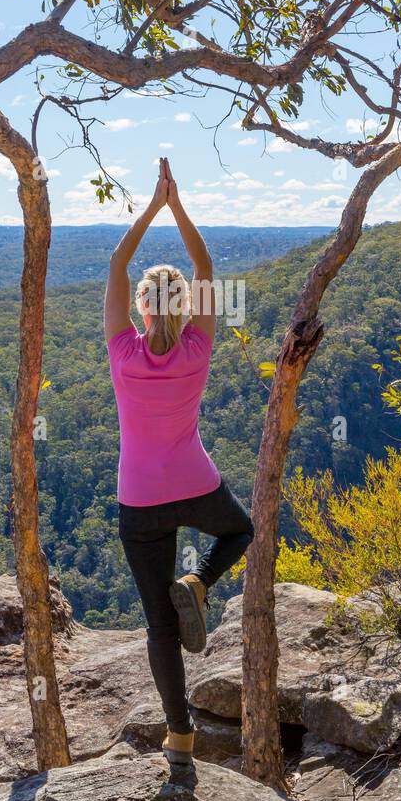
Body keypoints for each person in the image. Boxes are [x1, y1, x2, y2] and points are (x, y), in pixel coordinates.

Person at [105, 157, 254, 764]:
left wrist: (152, 206)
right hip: (194, 483)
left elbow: (117, 262)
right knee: (239, 529)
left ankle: (180, 735)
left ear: (142, 307)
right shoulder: (199, 345)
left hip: (139, 501)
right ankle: (199, 580)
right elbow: (207, 266)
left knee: (158, 626)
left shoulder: (122, 351)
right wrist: (178, 206)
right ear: (185, 305)